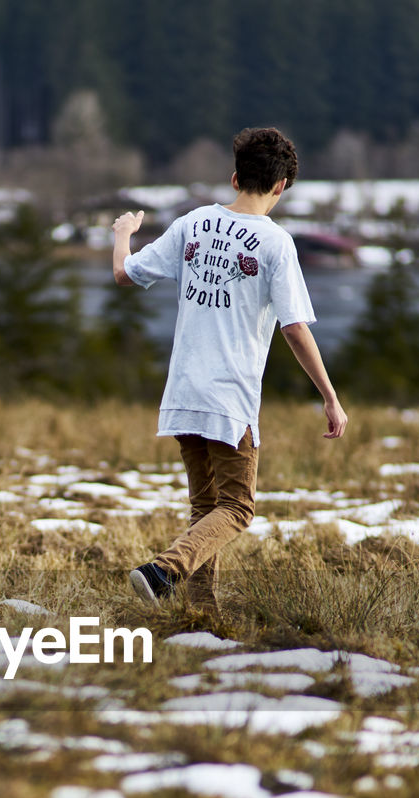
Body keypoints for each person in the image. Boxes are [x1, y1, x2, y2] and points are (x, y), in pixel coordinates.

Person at [112, 126, 347, 616]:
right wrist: (329, 395)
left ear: (235, 176)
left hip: (183, 392)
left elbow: (124, 273)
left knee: (207, 509)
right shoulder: (276, 244)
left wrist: (122, 235)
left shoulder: (193, 223)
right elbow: (296, 328)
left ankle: (203, 615)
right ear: (281, 186)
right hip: (229, 399)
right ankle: (164, 571)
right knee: (238, 508)